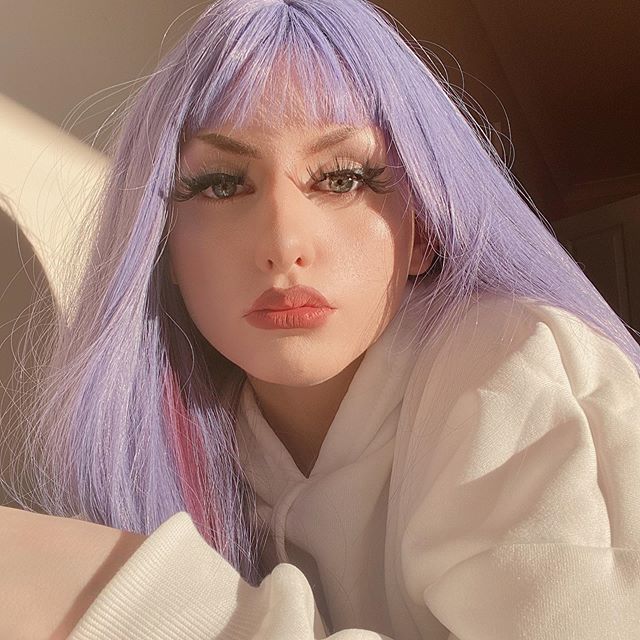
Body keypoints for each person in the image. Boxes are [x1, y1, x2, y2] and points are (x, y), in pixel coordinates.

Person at [3, 0, 640, 637]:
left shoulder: (515, 362)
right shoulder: (177, 443)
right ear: (162, 244)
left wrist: (127, 594)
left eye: (341, 178)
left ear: (422, 230)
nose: (283, 244)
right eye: (221, 184)